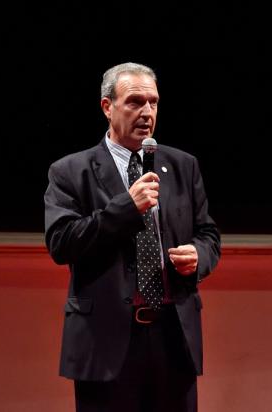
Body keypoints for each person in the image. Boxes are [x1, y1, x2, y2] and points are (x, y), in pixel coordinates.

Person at [44, 62, 221, 412]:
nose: (147, 112)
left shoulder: (183, 165)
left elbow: (208, 233)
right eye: (135, 102)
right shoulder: (70, 172)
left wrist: (199, 255)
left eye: (153, 102)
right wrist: (125, 208)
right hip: (106, 342)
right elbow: (62, 243)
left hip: (173, 337)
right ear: (107, 107)